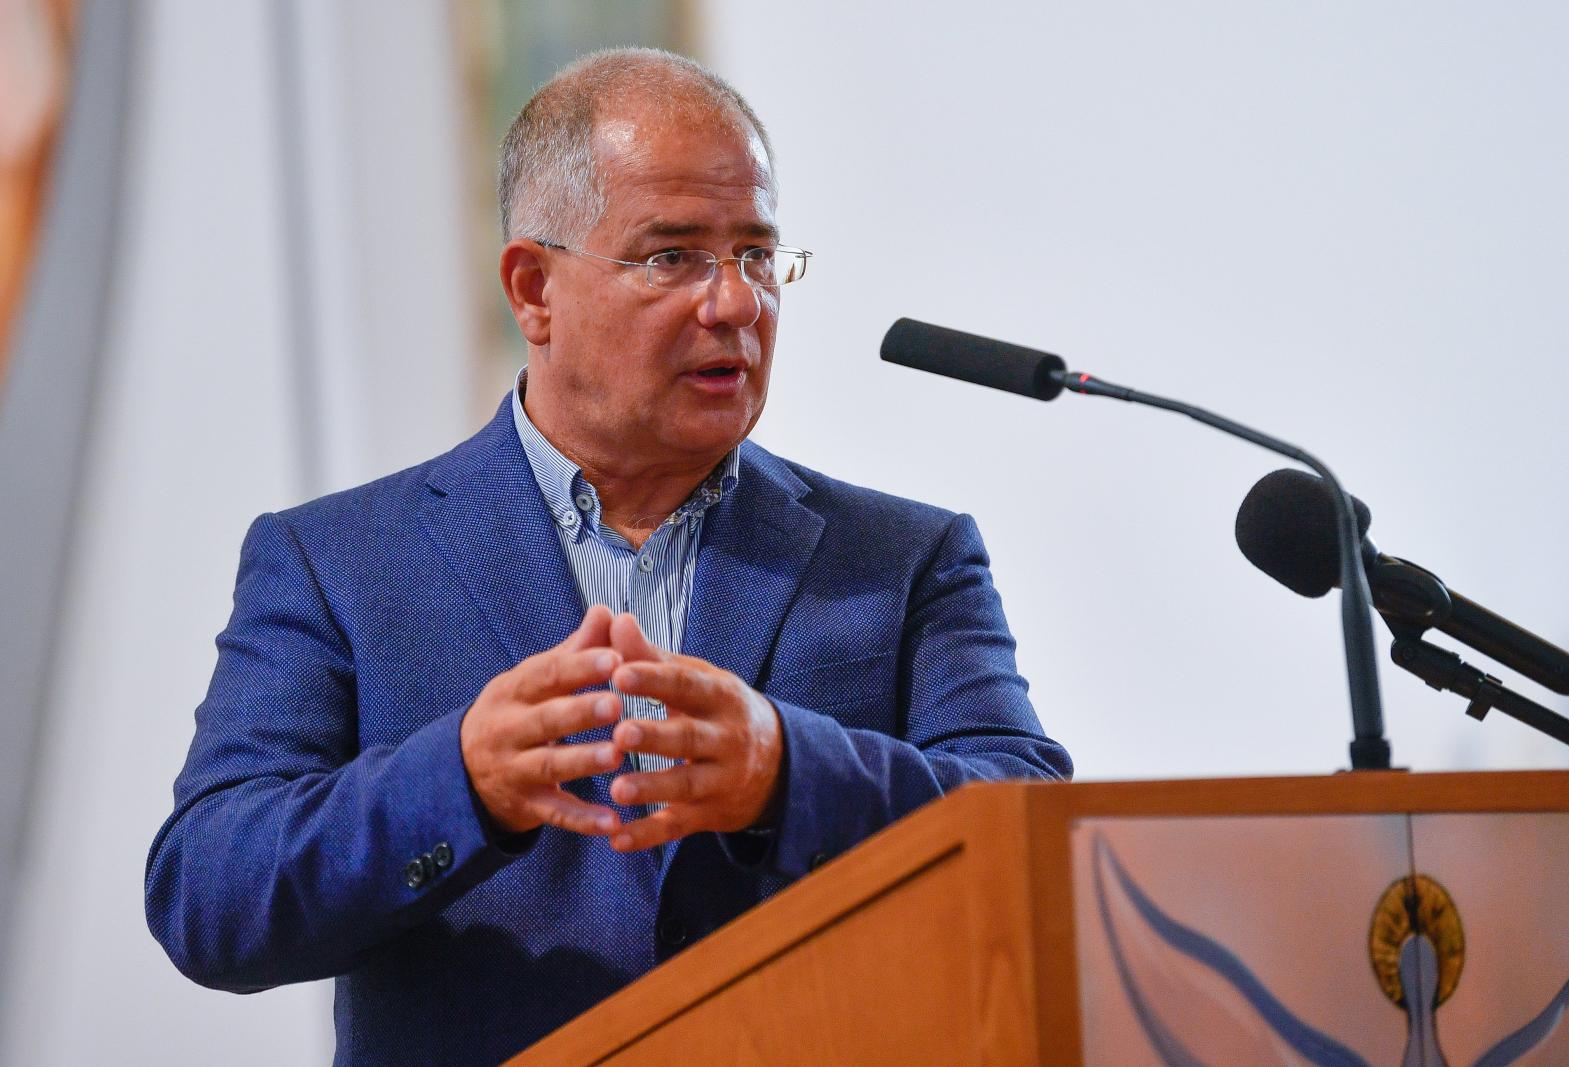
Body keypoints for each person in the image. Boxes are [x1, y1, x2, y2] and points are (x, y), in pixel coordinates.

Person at [145, 48, 1070, 1067]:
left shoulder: (902, 557)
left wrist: (786, 772)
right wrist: (459, 781)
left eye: (757, 255)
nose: (737, 305)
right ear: (533, 288)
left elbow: (1032, 832)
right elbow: (210, 894)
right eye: (673, 257)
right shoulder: (336, 562)